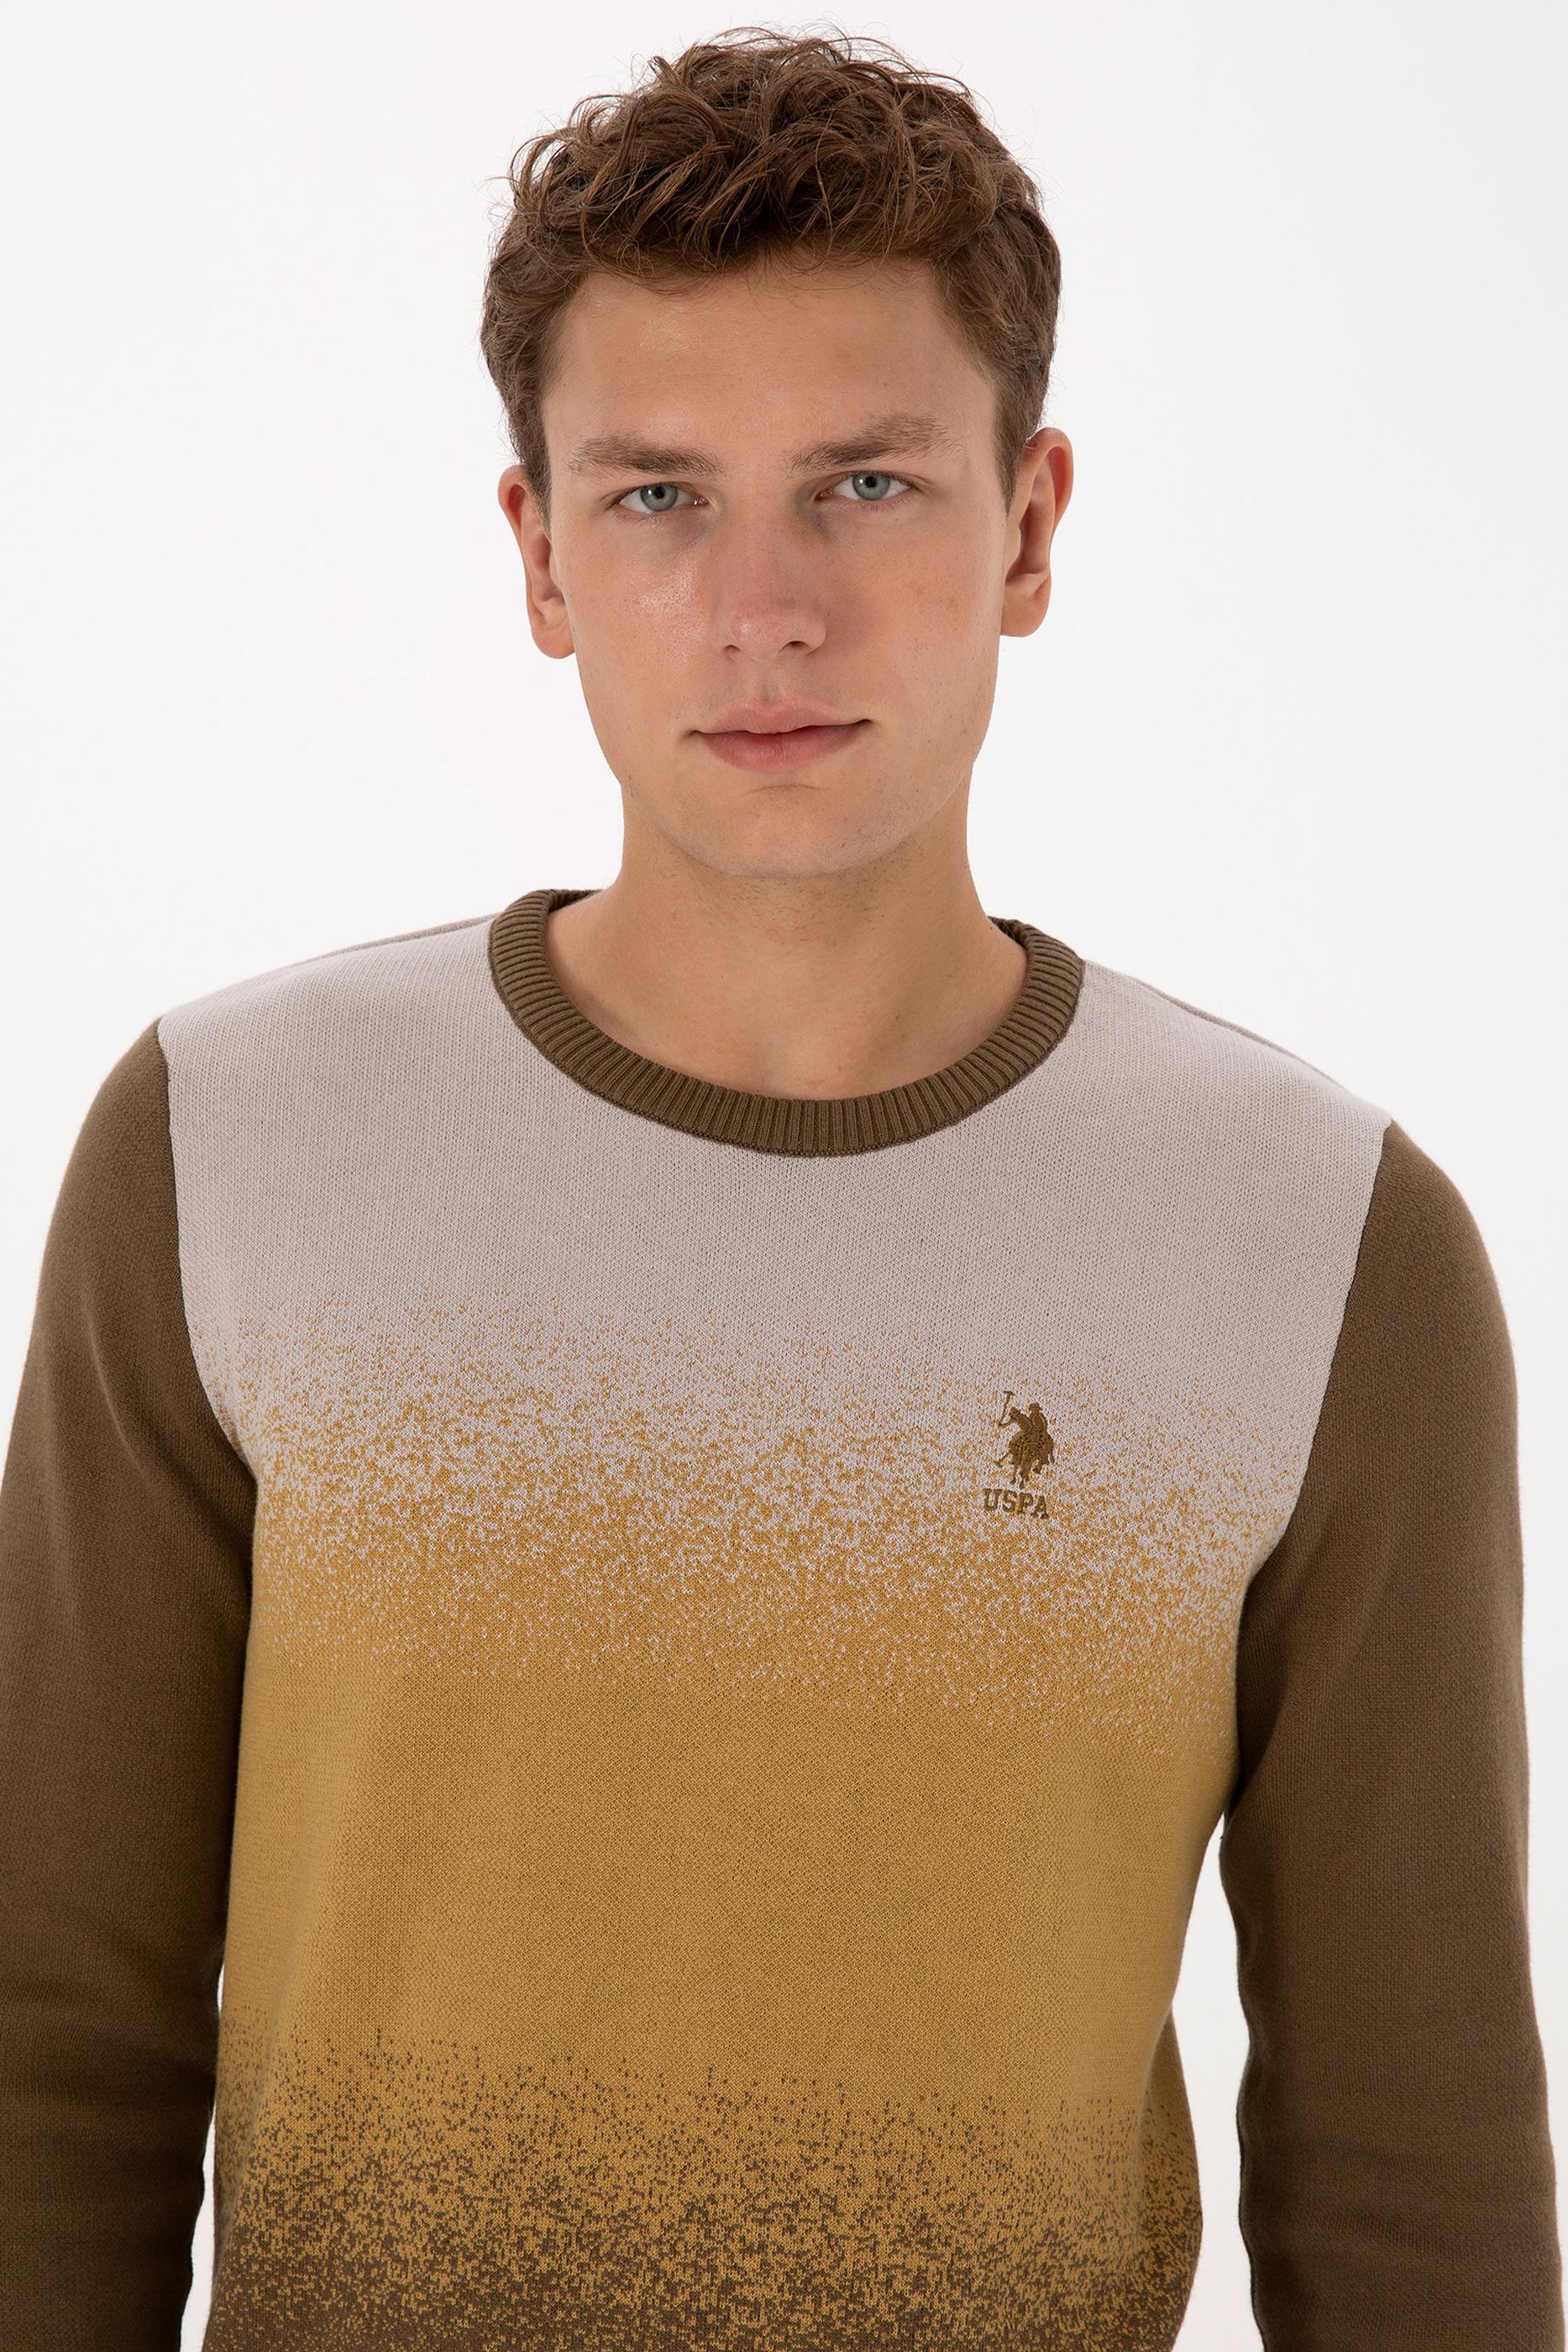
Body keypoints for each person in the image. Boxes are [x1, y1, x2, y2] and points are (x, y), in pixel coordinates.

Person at [0, 24, 1560, 2349]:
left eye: (865, 485)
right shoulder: (229, 1146)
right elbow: (52, 2049)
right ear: (538, 553)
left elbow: (1416, 2168)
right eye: (656, 495)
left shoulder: (1321, 1245)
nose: (766, 607)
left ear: (1028, 526)